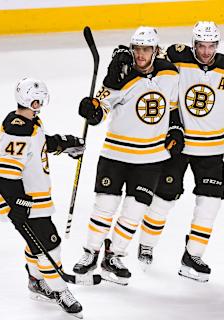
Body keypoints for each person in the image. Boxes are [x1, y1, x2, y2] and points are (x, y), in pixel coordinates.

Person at [108, 21, 224, 282]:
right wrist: (126, 55)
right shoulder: (177, 55)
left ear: (217, 45)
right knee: (164, 198)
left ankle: (192, 257)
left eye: (211, 46)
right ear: (193, 43)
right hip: (178, 145)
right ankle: (146, 244)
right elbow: (148, 61)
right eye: (201, 45)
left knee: (211, 203)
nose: (206, 52)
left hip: (211, 148)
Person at [72, 26, 183, 285]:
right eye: (137, 49)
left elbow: (174, 105)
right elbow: (101, 108)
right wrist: (91, 109)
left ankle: (115, 256)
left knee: (133, 212)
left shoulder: (170, 74)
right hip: (116, 155)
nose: (141, 55)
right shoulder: (120, 74)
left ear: (156, 51)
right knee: (105, 208)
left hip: (152, 158)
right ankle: (90, 252)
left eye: (146, 49)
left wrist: (176, 127)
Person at [0, 77, 85, 318]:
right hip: (24, 202)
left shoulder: (30, 122)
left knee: (36, 244)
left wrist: (64, 144)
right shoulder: (18, 129)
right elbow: (5, 175)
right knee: (50, 245)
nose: (39, 103)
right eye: (35, 99)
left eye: (41, 98)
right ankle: (60, 290)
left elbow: (40, 145)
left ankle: (36, 281)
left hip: (34, 200)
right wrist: (19, 204)